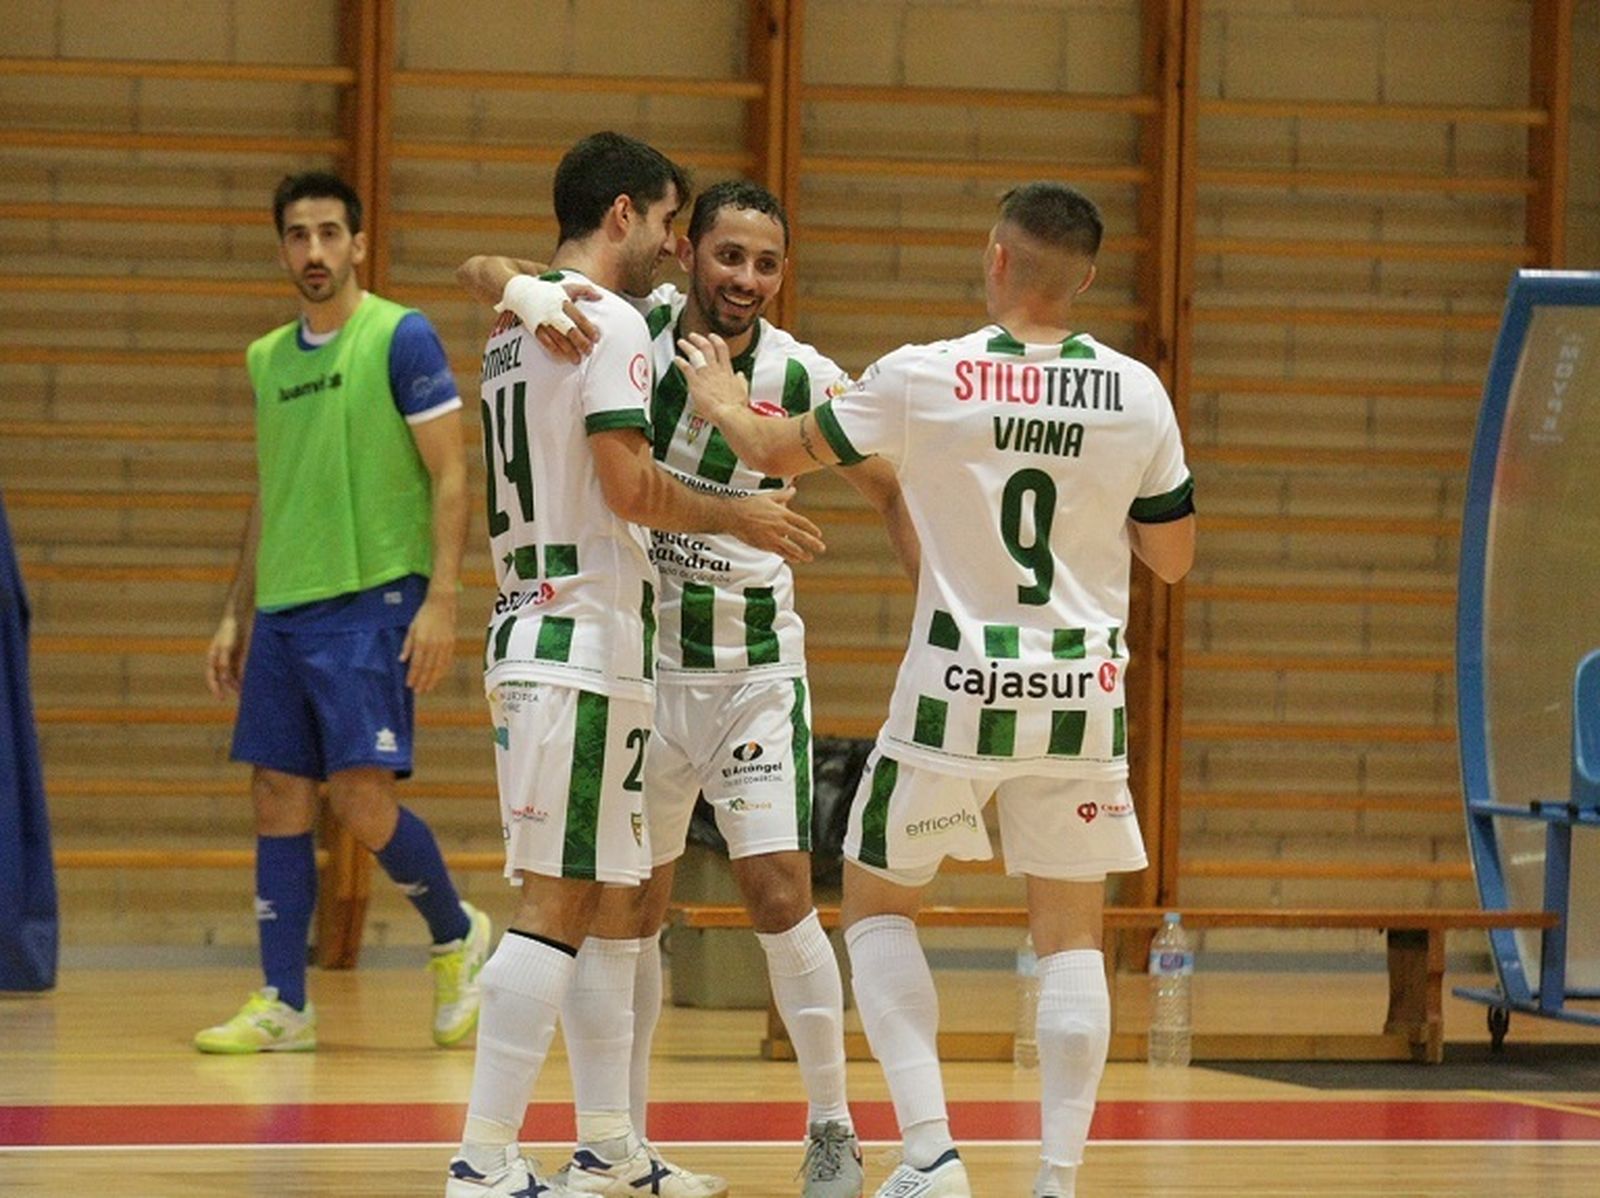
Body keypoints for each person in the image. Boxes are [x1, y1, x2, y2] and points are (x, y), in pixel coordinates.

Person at [676, 182, 1196, 1198]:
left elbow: (773, 454)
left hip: (955, 685)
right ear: (1085, 276)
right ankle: (1055, 1180)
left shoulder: (925, 376)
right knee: (1069, 935)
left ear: (997, 258)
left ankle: (931, 1155)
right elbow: (1170, 560)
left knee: (874, 904)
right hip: (1081, 693)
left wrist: (725, 402)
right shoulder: (1138, 391)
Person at [457, 179, 918, 1198]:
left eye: (764, 262)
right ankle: (609, 1142)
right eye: (726, 255)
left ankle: (832, 1127)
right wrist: (520, 291)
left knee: (780, 891)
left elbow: (892, 484)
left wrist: (935, 605)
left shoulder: (800, 372)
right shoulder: (636, 324)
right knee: (624, 909)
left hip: (753, 675)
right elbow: (495, 273)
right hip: (639, 670)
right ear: (688, 253)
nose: (744, 278)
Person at [198, 171, 490, 1055]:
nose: (314, 251)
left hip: (374, 599)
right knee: (276, 794)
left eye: (330, 233)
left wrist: (442, 599)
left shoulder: (400, 337)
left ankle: (457, 934)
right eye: (298, 235)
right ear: (282, 246)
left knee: (361, 801)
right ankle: (283, 1000)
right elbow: (271, 493)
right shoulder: (266, 359)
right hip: (285, 609)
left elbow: (450, 471)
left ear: (358, 243)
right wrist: (233, 612)